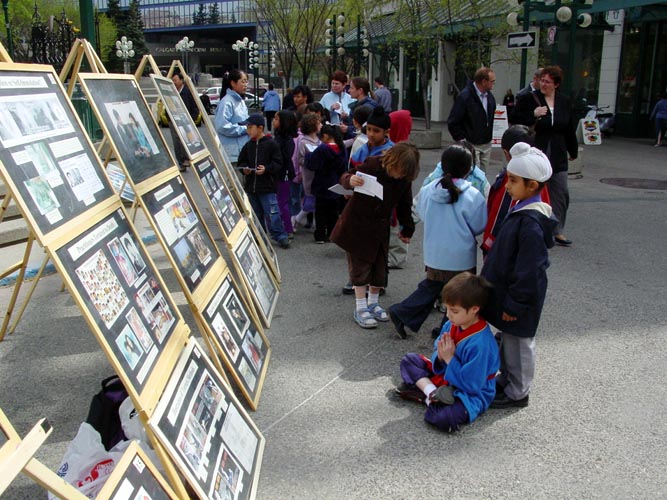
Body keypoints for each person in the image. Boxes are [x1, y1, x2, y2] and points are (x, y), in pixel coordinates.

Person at [481, 142, 556, 409]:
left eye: (513, 181)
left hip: (519, 299)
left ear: (532, 185)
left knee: (519, 344)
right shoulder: (522, 210)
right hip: (510, 294)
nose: (508, 186)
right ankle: (509, 379)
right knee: (509, 340)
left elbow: (529, 271)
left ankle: (519, 391)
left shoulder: (530, 223)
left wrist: (516, 303)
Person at [389, 144, 487, 338]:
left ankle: (405, 314)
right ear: (469, 168)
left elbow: (420, 212)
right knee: (459, 294)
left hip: (434, 252)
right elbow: (479, 225)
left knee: (432, 287)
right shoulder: (473, 195)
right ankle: (446, 330)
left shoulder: (428, 190)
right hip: (461, 255)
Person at [330, 142, 420, 329]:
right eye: (398, 170)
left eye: (404, 173)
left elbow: (405, 204)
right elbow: (346, 176)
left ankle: (373, 302)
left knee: (380, 265)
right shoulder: (372, 164)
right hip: (357, 224)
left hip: (380, 226)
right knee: (360, 265)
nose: (399, 175)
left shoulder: (404, 180)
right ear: (391, 161)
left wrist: (407, 229)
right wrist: (350, 180)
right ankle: (360, 306)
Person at [395, 272, 499, 432]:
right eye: (447, 309)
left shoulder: (481, 343)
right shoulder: (452, 324)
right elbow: (438, 349)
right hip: (446, 377)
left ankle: (427, 394)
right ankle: (433, 395)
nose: (449, 315)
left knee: (445, 419)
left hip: (470, 391)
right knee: (410, 360)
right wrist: (440, 357)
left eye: (454, 311)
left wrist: (450, 358)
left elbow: (472, 384)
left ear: (474, 309)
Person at [512, 65, 578, 247]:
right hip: (536, 149)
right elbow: (514, 118)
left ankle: (557, 230)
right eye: (541, 80)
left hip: (557, 151)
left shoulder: (564, 101)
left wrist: (573, 150)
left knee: (561, 192)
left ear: (556, 84)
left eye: (547, 82)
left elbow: (569, 128)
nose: (543, 84)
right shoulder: (529, 99)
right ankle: (533, 227)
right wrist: (533, 114)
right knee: (534, 190)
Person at [237, 114, 290, 249]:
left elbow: (278, 163)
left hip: (267, 186)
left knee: (272, 212)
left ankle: (280, 235)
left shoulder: (271, 144)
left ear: (260, 128)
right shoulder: (248, 145)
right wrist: (245, 169)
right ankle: (259, 235)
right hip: (251, 187)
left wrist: (267, 169)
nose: (248, 130)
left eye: (251, 127)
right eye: (247, 128)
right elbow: (241, 162)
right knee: (256, 213)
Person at [447, 67, 496, 171]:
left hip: (486, 143)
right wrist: (462, 140)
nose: (494, 84)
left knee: (483, 176)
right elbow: (453, 121)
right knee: (473, 174)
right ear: (484, 81)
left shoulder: (490, 97)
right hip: (471, 143)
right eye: (492, 81)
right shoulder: (465, 96)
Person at [305, 123, 347, 243]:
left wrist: (309, 156)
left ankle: (320, 235)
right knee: (333, 212)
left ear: (325, 136)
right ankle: (331, 234)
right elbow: (344, 167)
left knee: (320, 212)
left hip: (322, 184)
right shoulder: (342, 148)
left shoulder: (322, 149)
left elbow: (312, 165)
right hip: (336, 183)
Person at [272, 110, 298, 238]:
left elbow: (284, 158)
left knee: (282, 202)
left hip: (284, 173)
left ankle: (287, 228)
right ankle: (281, 226)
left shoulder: (286, 140)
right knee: (279, 201)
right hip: (278, 173)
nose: (273, 121)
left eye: (276, 119)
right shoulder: (278, 137)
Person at [214, 69, 249, 164]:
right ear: (233, 83)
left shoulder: (241, 101)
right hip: (232, 154)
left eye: (246, 81)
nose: (245, 85)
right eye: (243, 81)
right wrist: (245, 129)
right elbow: (222, 126)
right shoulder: (226, 102)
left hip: (243, 152)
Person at [293, 113, 322, 228]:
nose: (321, 125)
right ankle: (297, 219)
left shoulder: (319, 140)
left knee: (315, 199)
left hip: (318, 174)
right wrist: (311, 161)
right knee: (310, 199)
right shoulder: (304, 142)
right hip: (309, 174)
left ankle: (315, 223)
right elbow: (300, 159)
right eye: (319, 123)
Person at [171, 72, 199, 171]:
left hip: (186, 121)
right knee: (176, 143)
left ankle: (187, 159)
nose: (174, 82)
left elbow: (195, 107)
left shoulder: (188, 92)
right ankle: (181, 163)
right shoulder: (171, 92)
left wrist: (192, 119)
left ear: (181, 80)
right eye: (172, 80)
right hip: (174, 120)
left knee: (187, 140)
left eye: (175, 80)